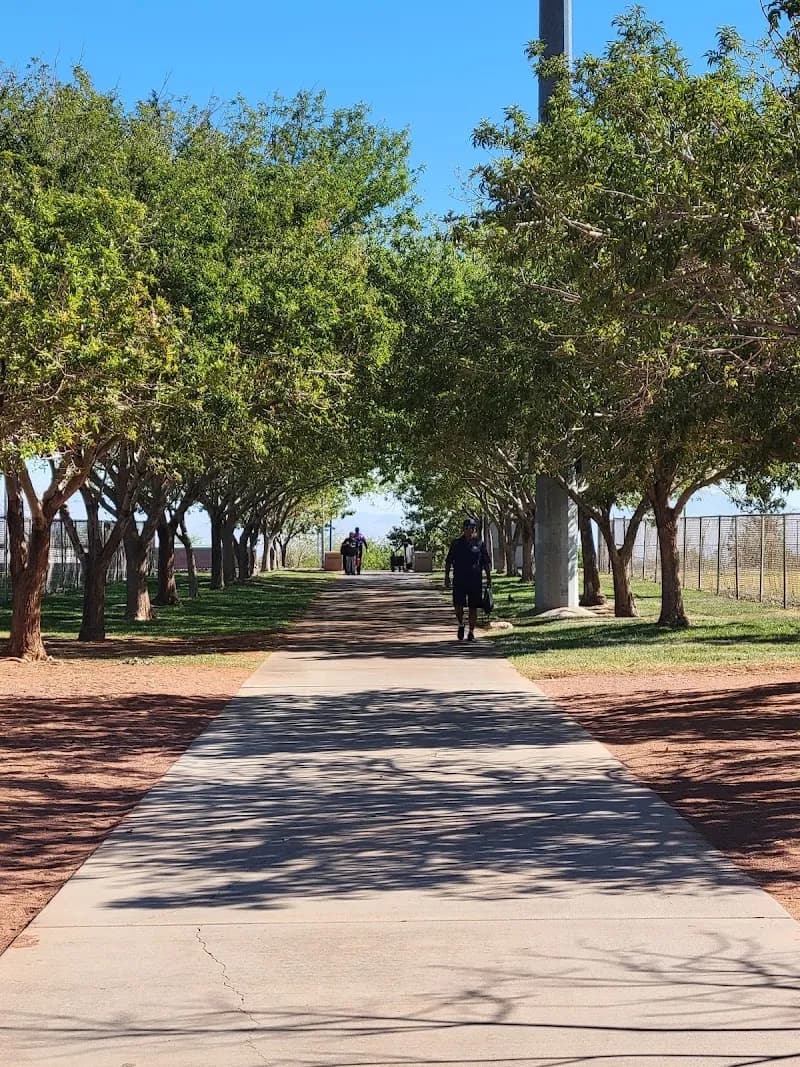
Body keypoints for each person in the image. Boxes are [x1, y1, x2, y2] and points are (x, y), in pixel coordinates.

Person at [444, 518, 491, 642]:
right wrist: (446, 577)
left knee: (473, 607)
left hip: (475, 580)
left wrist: (489, 578)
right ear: (463, 529)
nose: (471, 530)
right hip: (459, 580)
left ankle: (471, 632)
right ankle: (460, 624)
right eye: (468, 528)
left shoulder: (480, 544)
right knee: (458, 605)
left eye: (473, 528)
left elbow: (485, 562)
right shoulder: (456, 543)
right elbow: (449, 561)